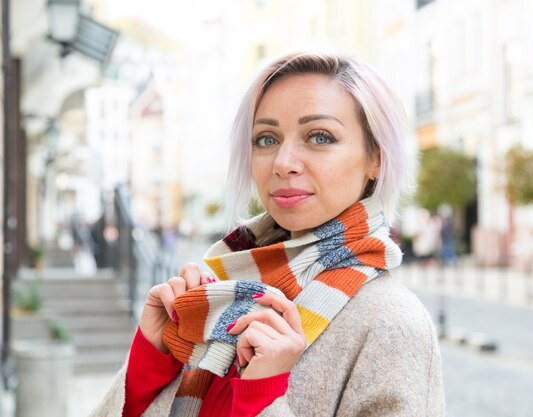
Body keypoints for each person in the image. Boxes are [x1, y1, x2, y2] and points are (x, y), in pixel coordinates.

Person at [91, 52, 444, 417]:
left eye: (319, 137)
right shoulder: (215, 297)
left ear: (377, 158)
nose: (283, 162)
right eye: (266, 139)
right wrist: (150, 362)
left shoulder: (391, 324)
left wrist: (263, 397)